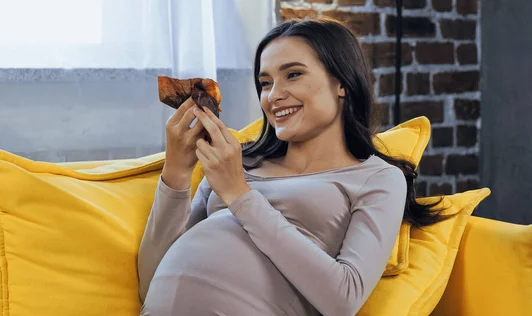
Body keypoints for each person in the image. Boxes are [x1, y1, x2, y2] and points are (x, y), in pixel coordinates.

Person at [138, 17, 449, 316]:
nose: (274, 95)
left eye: (294, 74)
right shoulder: (237, 163)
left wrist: (240, 196)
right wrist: (177, 172)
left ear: (341, 82)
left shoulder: (377, 178)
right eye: (265, 82)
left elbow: (343, 300)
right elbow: (149, 282)